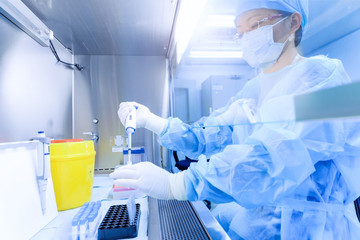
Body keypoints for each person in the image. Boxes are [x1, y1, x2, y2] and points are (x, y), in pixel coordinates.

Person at [111, 0, 360, 239]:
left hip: (315, 229)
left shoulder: (324, 78)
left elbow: (273, 158)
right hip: (260, 223)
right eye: (240, 31)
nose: (247, 37)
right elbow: (209, 133)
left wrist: (176, 184)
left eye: (254, 25)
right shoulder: (253, 89)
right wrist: (153, 121)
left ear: (293, 22)